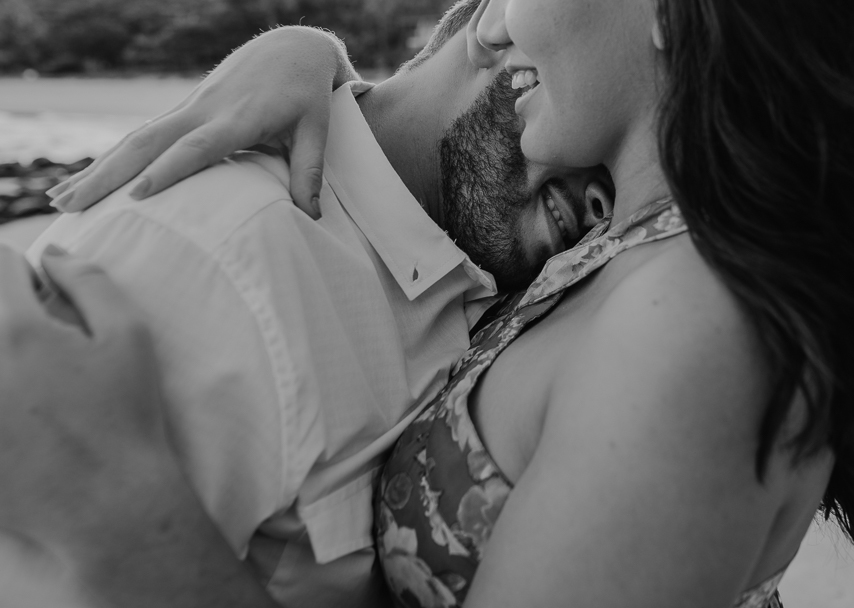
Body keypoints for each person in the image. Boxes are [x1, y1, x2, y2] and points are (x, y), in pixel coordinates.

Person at [0, 0, 854, 606]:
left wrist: (123, 519)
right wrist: (310, 58)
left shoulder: (687, 320)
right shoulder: (617, 258)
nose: (505, 20)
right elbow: (425, 134)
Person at [13, 5, 611, 608]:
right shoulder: (220, 261)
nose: (601, 209)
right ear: (503, 26)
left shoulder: (499, 279)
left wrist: (308, 48)